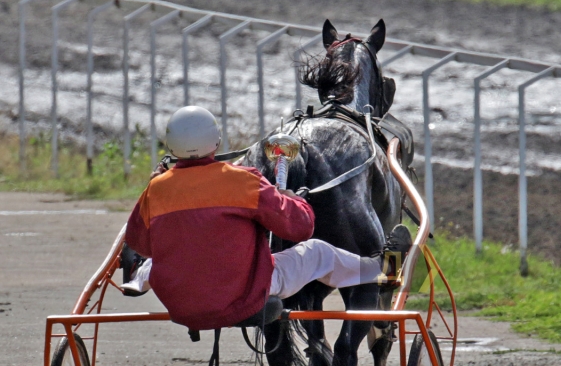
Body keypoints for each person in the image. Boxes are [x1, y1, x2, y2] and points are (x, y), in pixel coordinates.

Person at [121, 105, 410, 334]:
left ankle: (138, 278)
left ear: (170, 145)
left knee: (158, 257)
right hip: (245, 297)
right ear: (216, 141)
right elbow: (300, 227)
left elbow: (140, 243)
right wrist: (291, 198)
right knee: (319, 252)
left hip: (180, 304)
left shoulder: (155, 189)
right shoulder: (242, 181)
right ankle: (385, 270)